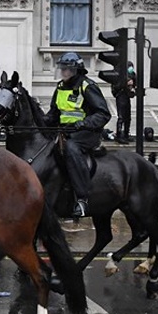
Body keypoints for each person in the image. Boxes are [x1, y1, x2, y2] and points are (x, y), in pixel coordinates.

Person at [44, 52, 112, 218]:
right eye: (62, 69)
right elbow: (54, 114)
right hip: (65, 131)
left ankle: (82, 199)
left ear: (77, 70)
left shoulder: (87, 86)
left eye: (67, 69)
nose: (64, 72)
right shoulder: (60, 87)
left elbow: (103, 114)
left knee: (70, 148)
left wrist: (84, 123)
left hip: (86, 133)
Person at [113, 61, 136, 144]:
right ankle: (119, 135)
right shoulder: (119, 76)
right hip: (121, 96)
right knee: (121, 117)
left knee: (128, 117)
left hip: (127, 97)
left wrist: (133, 86)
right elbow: (115, 88)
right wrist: (125, 83)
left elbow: (135, 86)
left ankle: (126, 134)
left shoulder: (132, 75)